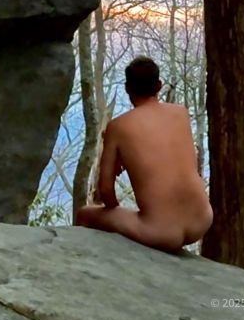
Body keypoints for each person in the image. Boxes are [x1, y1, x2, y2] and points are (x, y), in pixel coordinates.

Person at [75, 56, 213, 254]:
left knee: (85, 214)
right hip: (202, 220)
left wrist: (113, 211)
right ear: (159, 85)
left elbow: (105, 190)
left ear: (127, 88)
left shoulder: (118, 127)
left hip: (160, 231)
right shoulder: (180, 113)